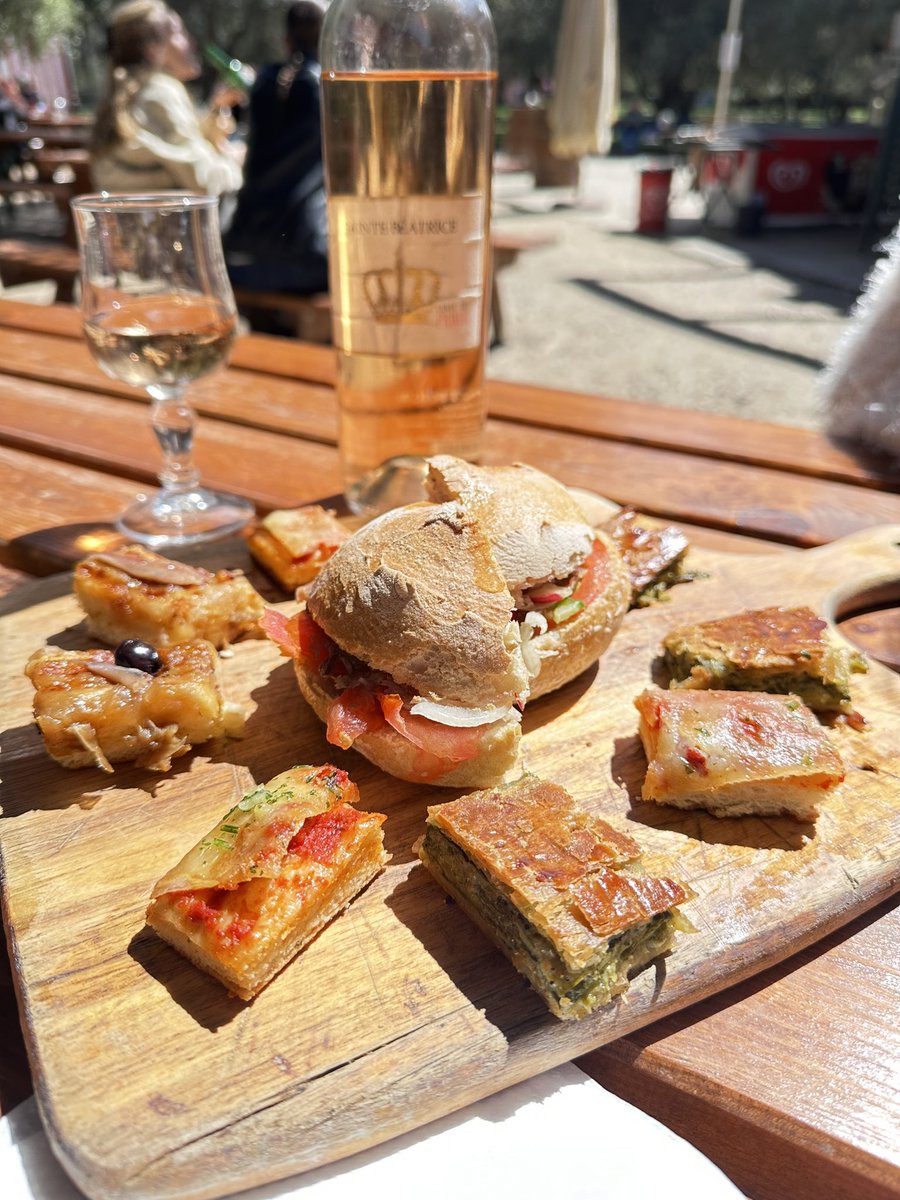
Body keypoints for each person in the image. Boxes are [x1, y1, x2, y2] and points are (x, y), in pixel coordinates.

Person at [224, 1, 328, 296]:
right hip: (308, 257)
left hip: (243, 250)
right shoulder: (326, 88)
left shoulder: (262, 83)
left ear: (286, 39)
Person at [90, 0, 243, 197]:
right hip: (167, 222)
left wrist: (215, 110)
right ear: (152, 48)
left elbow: (173, 151)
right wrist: (237, 163)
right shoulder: (159, 92)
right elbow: (202, 180)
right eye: (180, 33)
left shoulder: (129, 92)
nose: (191, 43)